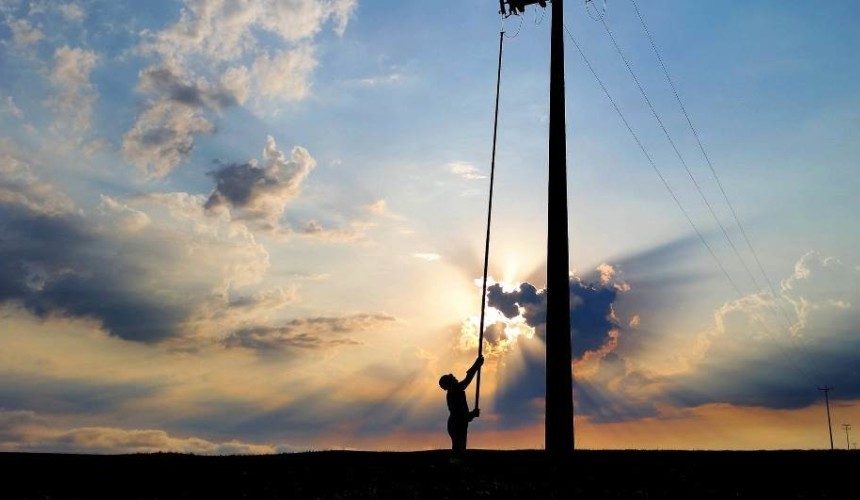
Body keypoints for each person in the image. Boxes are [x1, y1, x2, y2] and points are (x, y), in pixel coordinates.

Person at [438, 355, 484, 452]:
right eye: (451, 378)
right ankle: (456, 464)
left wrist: (472, 414)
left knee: (460, 447)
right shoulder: (454, 391)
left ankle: (457, 463)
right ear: (448, 384)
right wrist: (476, 365)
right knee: (459, 448)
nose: (453, 377)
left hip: (458, 423)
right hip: (457, 423)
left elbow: (463, 414)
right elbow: (460, 414)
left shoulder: (455, 391)